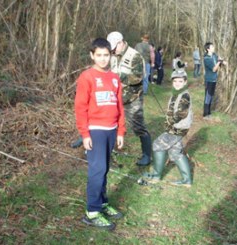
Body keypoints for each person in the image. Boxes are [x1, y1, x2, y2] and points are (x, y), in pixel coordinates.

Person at [75, 38, 126, 230]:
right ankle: (92, 211)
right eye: (99, 55)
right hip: (95, 131)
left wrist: (121, 130)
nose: (103, 59)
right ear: (92, 55)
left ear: (111, 55)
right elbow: (80, 108)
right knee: (97, 170)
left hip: (111, 130)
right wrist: (85, 134)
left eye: (106, 55)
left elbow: (119, 106)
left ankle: (102, 202)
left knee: (104, 168)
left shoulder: (115, 78)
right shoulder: (87, 77)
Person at [107, 31, 152, 166]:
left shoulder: (135, 56)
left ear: (121, 43)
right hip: (115, 96)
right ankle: (107, 152)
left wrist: (118, 76)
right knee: (109, 124)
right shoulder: (113, 56)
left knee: (138, 126)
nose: (113, 51)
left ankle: (146, 155)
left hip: (132, 98)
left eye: (114, 48)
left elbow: (138, 77)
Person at [143, 70, 193, 187]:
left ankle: (156, 175)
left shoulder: (184, 95)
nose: (177, 83)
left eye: (180, 81)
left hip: (177, 129)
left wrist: (170, 122)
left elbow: (181, 113)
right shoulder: (176, 93)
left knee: (157, 145)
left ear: (185, 82)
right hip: (178, 128)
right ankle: (187, 180)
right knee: (175, 152)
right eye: (175, 81)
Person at [203, 42, 225, 119]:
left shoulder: (214, 55)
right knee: (208, 96)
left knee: (211, 96)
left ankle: (209, 113)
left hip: (214, 80)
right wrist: (219, 62)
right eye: (212, 47)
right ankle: (205, 114)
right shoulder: (206, 59)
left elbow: (219, 60)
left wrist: (223, 62)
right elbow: (214, 69)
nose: (213, 48)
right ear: (208, 49)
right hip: (209, 80)